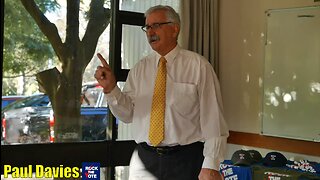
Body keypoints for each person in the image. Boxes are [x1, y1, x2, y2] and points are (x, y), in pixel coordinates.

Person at [94, 5, 229, 180]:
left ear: (174, 29)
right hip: (144, 160)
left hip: (186, 160)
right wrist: (111, 89)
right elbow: (127, 115)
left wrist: (211, 165)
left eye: (156, 25)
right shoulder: (139, 69)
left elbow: (214, 121)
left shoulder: (198, 66)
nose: (150, 32)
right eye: (147, 27)